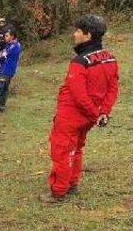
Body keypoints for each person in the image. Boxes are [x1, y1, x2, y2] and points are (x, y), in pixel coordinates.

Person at [40, 15, 119, 204]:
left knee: (61, 151)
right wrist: (102, 113)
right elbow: (113, 88)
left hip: (71, 115)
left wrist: (95, 113)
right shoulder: (110, 58)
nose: (74, 34)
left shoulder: (79, 62)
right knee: (76, 148)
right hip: (89, 117)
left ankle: (58, 191)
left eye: (77, 31)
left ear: (88, 35)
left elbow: (78, 94)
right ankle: (72, 183)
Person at [0, 27, 22, 113]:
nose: (5, 38)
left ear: (12, 36)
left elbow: (1, 56)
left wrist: (1, 56)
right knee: (5, 89)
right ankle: (1, 107)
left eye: (7, 36)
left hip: (5, 71)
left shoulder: (13, 46)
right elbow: (2, 54)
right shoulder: (11, 45)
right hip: (10, 71)